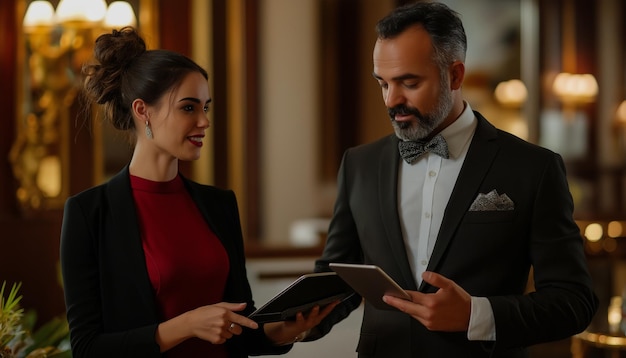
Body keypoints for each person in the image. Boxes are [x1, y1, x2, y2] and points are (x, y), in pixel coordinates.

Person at [305, 2, 599, 357]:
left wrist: (476, 315)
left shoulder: (533, 168)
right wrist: (286, 325)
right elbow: (339, 279)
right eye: (383, 83)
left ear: (455, 76)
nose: (391, 100)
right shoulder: (359, 164)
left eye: (408, 83)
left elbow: (574, 302)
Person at [59, 27, 333, 358]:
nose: (204, 121)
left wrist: (284, 330)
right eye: (189, 108)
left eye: (206, 107)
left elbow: (240, 325)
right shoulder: (89, 214)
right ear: (142, 110)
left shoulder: (219, 205)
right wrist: (186, 325)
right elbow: (87, 349)